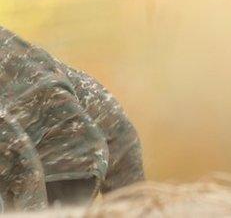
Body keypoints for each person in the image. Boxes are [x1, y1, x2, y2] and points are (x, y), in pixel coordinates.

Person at [0, 27, 145, 210]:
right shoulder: (21, 54)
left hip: (57, 163)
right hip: (83, 149)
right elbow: (120, 129)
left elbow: (18, 158)